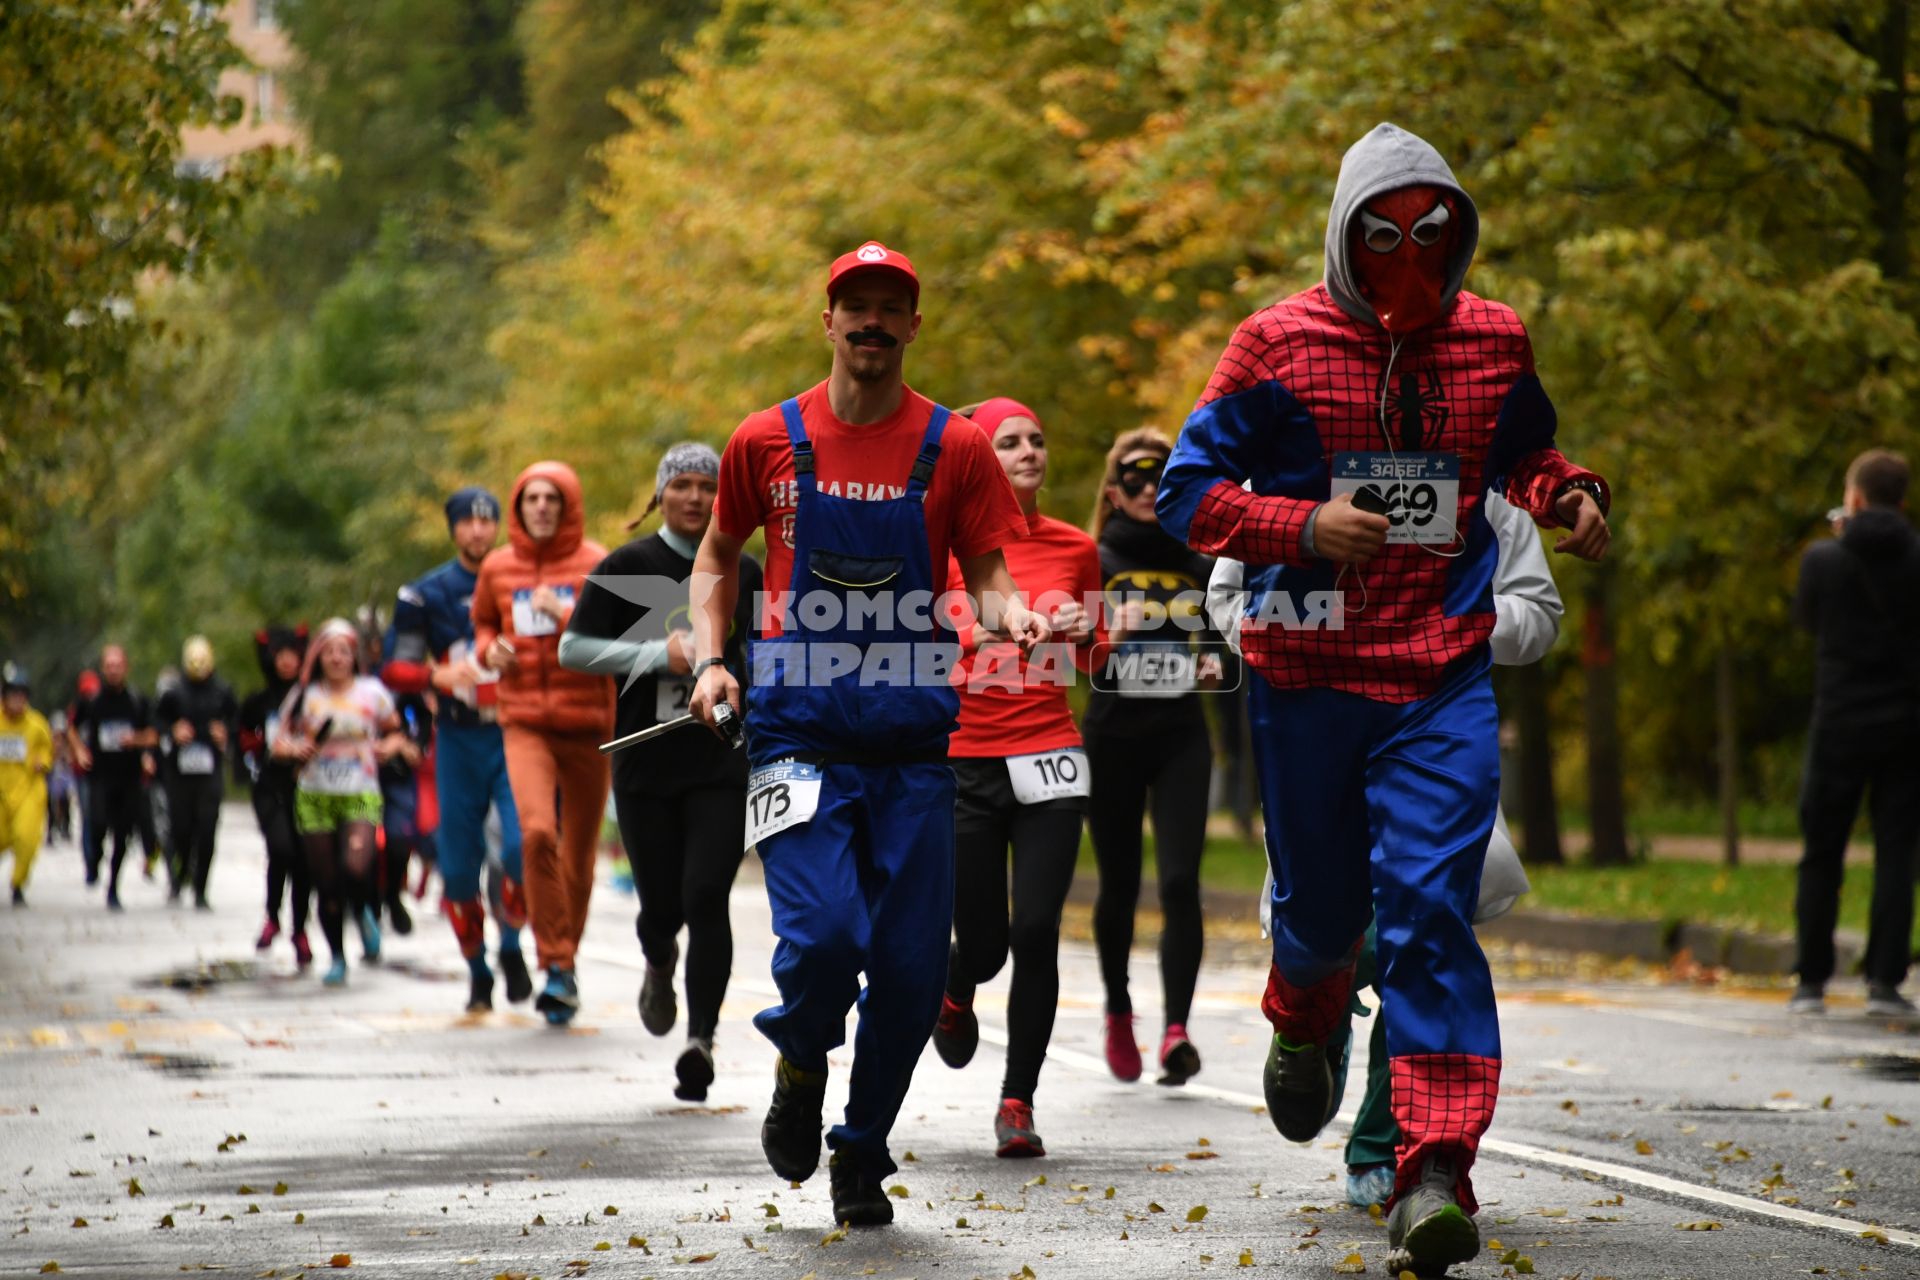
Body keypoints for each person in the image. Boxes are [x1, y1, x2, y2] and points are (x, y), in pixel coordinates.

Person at [1155, 123, 1612, 1273]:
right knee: (1322, 911)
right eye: (1385, 233)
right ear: (1349, 235)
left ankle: (1434, 1168)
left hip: (1439, 672)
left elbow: (1528, 453)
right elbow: (1187, 491)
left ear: (1457, 235)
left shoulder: (1494, 339)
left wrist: (1570, 498)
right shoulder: (1273, 344)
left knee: (1430, 909)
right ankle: (1301, 1006)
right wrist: (1300, 525)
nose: (1411, 252)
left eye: (1432, 232)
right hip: (1306, 669)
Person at [690, 241, 1043, 1226]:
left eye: (893, 306)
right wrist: (712, 658)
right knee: (823, 937)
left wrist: (1012, 616)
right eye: (858, 305)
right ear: (830, 318)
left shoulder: (957, 447)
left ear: (914, 325)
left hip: (914, 740)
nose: (873, 321)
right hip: (798, 727)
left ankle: (861, 1147)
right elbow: (719, 553)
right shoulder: (766, 438)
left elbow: (990, 574)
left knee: (912, 968)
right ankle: (803, 1060)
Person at [1210, 483, 1557, 1207]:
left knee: (1421, 933)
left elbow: (1538, 614)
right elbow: (1227, 602)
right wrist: (1328, 629)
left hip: (1428, 732)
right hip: (1317, 734)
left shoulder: (1481, 467)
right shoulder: (1275, 462)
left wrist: (1442, 627)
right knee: (1336, 934)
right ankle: (1312, 1024)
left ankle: (1394, 1150)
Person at [928, 397, 1104, 1157]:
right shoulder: (941, 549)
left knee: (1037, 932)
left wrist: (1091, 631)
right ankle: (957, 985)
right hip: (965, 758)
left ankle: (1018, 1101)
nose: (1029, 450)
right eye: (1008, 442)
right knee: (989, 942)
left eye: (1037, 438)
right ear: (978, 459)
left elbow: (1093, 664)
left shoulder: (1074, 548)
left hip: (1050, 752)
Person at [561, 443, 763, 1100]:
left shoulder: (745, 570)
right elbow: (574, 648)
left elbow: (771, 649)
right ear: (660, 495)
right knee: (662, 907)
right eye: (684, 486)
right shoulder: (627, 566)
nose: (698, 498)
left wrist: (750, 685)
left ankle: (701, 1039)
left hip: (719, 760)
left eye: (710, 486)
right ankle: (657, 958)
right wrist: (658, 655)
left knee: (707, 896)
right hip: (645, 760)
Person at [1082, 426, 1218, 1087]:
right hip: (1111, 735)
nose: (1145, 491)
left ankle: (1177, 1030)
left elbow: (1226, 639)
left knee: (1179, 883)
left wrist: (1220, 659)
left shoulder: (1201, 561)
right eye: (1133, 482)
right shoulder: (1092, 557)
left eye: (1159, 480)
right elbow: (1059, 647)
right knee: (1120, 886)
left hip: (1180, 735)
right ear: (1114, 491)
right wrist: (1104, 631)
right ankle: (1117, 1008)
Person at [472, 462, 615, 1025]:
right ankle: (554, 963)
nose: (540, 507)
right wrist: (489, 652)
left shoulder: (596, 563)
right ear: (519, 505)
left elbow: (624, 636)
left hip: (589, 724)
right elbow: (483, 624)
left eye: (551, 499)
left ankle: (566, 962)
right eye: (531, 498)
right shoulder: (498, 566)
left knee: (579, 856)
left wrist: (572, 615)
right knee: (535, 833)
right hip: (525, 719)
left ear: (568, 505)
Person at [383, 488, 531, 1013]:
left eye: (487, 521)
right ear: (453, 529)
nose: (477, 530)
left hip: (515, 731)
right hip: (458, 738)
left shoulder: (520, 578)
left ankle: (512, 945)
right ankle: (477, 970)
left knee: (523, 846)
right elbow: (393, 668)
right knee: (459, 866)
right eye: (467, 522)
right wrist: (435, 673)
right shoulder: (426, 593)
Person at [1790, 448, 1920, 1019]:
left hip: (1839, 722)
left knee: (1822, 852)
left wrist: (1843, 543)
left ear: (1856, 498)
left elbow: (1808, 622)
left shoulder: (1824, 560)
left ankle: (1811, 980)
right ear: (1903, 500)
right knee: (1897, 853)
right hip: (1908, 728)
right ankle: (1885, 981)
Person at [273, 619, 408, 987]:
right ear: (318, 656)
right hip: (315, 796)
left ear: (354, 656)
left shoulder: (372, 691)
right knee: (326, 883)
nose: (336, 658)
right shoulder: (306, 695)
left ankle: (364, 908)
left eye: (344, 651)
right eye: (329, 651)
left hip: (360, 793)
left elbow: (398, 731)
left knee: (354, 867)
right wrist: (293, 748)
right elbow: (277, 740)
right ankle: (336, 956)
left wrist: (390, 747)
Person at [239, 625, 314, 965]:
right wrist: (261, 748)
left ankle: (300, 929)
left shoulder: (314, 698)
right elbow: (241, 741)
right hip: (269, 786)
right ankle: (272, 915)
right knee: (280, 847)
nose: (287, 662)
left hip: (306, 786)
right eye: (280, 656)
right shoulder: (258, 701)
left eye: (293, 656)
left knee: (303, 859)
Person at [68, 645, 159, 911]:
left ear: (126, 668)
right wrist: (79, 750)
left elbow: (153, 735)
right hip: (99, 776)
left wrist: (137, 741)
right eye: (109, 665)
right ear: (103, 669)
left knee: (122, 834)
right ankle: (93, 859)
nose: (114, 670)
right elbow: (72, 728)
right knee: (96, 823)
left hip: (129, 777)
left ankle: (113, 887)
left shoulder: (137, 701)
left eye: (118, 665)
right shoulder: (92, 701)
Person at [155, 636, 238, 911]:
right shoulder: (173, 692)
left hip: (209, 772)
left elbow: (239, 724)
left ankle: (201, 888)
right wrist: (172, 731)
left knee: (207, 828)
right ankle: (178, 876)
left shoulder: (223, 691)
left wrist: (225, 734)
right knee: (180, 829)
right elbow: (156, 724)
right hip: (179, 773)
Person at [0, 663, 55, 906]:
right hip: (2, 791)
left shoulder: (37, 724)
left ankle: (18, 882)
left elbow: (47, 750)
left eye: (22, 695)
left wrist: (41, 762)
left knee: (26, 838)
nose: (17, 700)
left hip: (29, 791)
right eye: (13, 695)